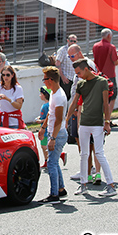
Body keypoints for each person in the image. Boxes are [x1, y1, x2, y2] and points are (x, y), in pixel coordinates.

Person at [68, 59, 117, 198]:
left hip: (97, 123)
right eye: (76, 74)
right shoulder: (81, 83)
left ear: (86, 69)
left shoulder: (102, 82)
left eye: (79, 72)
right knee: (84, 154)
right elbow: (75, 103)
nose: (78, 76)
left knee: (99, 153)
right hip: (84, 123)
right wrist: (67, 119)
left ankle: (111, 185)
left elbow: (106, 104)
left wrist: (107, 122)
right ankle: (83, 184)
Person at [66, 44, 98, 180]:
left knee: (86, 141)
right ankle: (87, 168)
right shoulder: (79, 66)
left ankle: (88, 169)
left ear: (79, 53)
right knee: (79, 139)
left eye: (72, 56)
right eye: (69, 57)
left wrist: (78, 107)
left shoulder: (87, 65)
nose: (70, 59)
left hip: (83, 108)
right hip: (77, 107)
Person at [38, 66, 68, 203]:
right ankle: (60, 189)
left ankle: (54, 194)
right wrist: (43, 128)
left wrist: (53, 138)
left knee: (51, 164)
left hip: (58, 133)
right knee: (54, 162)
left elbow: (59, 119)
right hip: (53, 132)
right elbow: (51, 113)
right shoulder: (54, 93)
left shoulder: (59, 96)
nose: (43, 82)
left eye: (44, 79)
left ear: (50, 80)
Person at [92, 29, 118, 126]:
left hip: (98, 74)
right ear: (109, 36)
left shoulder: (95, 46)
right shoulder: (111, 47)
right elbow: (115, 61)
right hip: (109, 75)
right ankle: (107, 118)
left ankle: (100, 117)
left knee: (99, 97)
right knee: (112, 95)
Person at [55, 34, 78, 98]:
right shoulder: (63, 50)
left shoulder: (77, 50)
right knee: (65, 97)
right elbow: (57, 63)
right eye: (71, 41)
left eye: (74, 41)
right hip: (66, 78)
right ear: (68, 41)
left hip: (74, 78)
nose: (73, 43)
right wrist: (62, 77)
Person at [35, 87, 51, 168]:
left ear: (45, 95)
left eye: (41, 94)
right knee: (43, 146)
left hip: (46, 129)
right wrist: (39, 118)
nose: (39, 95)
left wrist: (41, 121)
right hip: (44, 128)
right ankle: (46, 160)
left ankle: (49, 160)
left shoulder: (47, 105)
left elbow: (49, 117)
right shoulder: (44, 105)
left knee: (44, 146)